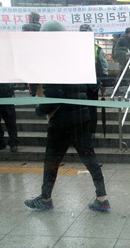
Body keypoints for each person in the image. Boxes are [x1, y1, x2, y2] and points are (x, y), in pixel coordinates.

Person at [24, 20, 110, 212]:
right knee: (90, 158)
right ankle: (102, 197)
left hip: (61, 119)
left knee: (52, 160)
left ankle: (45, 198)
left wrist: (39, 110)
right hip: (80, 117)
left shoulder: (51, 60)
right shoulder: (74, 57)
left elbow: (54, 97)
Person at [79, 24, 102, 137]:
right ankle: (84, 131)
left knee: (91, 109)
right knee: (82, 109)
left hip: (92, 85)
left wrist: (103, 82)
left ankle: (91, 131)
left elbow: (102, 67)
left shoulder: (97, 48)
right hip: (80, 84)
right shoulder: (74, 48)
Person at [22, 12, 42, 96]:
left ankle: (34, 94)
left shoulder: (26, 27)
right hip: (41, 56)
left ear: (32, 18)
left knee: (32, 77)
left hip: (29, 56)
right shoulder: (42, 28)